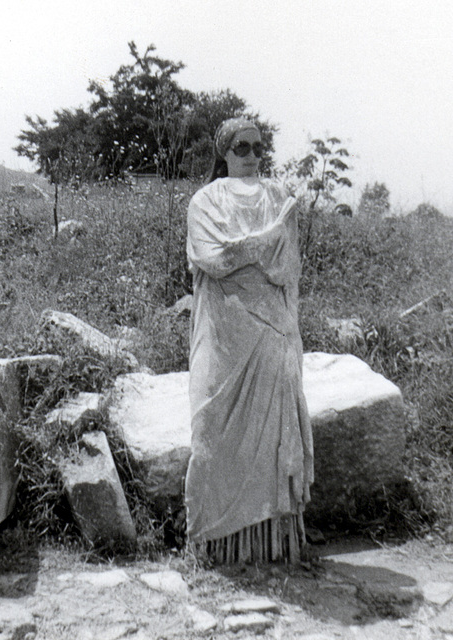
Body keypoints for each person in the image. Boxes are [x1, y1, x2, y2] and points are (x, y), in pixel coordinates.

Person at [184, 117, 314, 564]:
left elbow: (286, 267)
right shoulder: (205, 200)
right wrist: (264, 241)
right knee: (213, 433)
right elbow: (212, 256)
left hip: (271, 329)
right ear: (224, 151)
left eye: (260, 147)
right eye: (242, 147)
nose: (253, 156)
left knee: (272, 435)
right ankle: (214, 547)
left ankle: (271, 547)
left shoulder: (278, 196)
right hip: (223, 332)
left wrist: (254, 252)